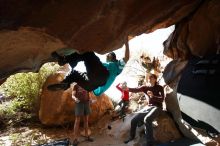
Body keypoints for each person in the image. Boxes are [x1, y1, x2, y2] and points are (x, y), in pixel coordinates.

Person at [47, 37, 130, 96]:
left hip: (101, 77)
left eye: (108, 55)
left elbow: (126, 58)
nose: (106, 57)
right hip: (91, 86)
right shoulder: (103, 65)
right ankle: (65, 83)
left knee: (88, 53)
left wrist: (126, 42)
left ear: (113, 57)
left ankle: (65, 59)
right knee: (74, 73)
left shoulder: (116, 65)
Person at [124, 74, 165, 146]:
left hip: (157, 108)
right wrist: (127, 88)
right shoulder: (145, 88)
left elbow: (162, 99)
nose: (149, 78)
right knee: (134, 120)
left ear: (155, 79)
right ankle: (131, 136)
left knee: (147, 119)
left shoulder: (159, 87)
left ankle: (150, 143)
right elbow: (136, 90)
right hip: (149, 107)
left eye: (151, 77)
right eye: (149, 77)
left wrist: (153, 96)